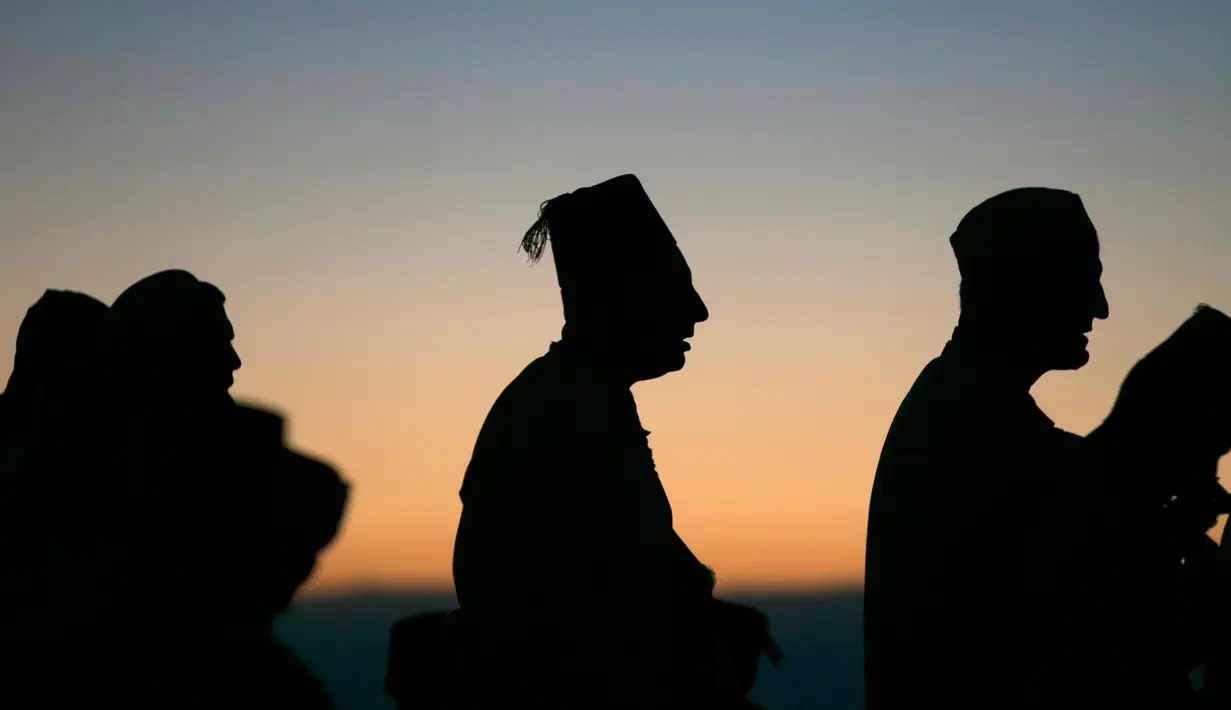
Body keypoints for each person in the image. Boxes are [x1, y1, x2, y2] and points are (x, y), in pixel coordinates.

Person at [449, 174, 778, 709]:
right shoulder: (564, 413)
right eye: (674, 288)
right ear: (620, 299)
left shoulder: (577, 399)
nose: (699, 310)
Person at [863, 187, 1114, 709]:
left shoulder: (965, 408)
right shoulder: (971, 424)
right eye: (1084, 282)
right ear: (1025, 288)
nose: (1101, 308)